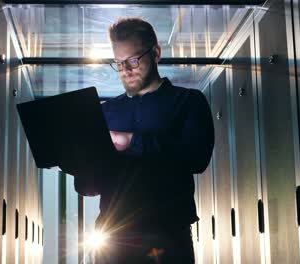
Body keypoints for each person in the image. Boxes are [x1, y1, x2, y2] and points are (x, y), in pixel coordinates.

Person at [89, 18, 215, 264]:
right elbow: (89, 187)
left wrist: (131, 142)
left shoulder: (188, 102)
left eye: (133, 60)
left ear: (156, 53)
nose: (125, 69)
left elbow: (196, 158)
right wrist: (78, 162)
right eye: (119, 63)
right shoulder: (106, 112)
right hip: (111, 236)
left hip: (168, 234)